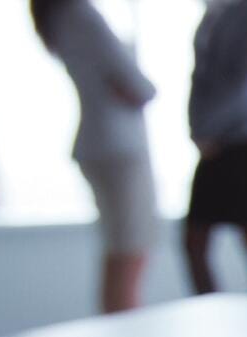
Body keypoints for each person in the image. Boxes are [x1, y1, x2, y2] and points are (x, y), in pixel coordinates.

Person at [33, 0, 158, 314]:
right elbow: (138, 86)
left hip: (99, 142)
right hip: (118, 145)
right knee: (130, 253)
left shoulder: (59, 16)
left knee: (120, 251)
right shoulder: (80, 13)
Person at [184, 0, 247, 296]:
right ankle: (214, 317)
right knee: (194, 242)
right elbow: (200, 76)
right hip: (210, 139)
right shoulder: (216, 9)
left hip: (244, 137)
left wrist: (206, 129)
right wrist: (198, 130)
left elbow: (243, 75)